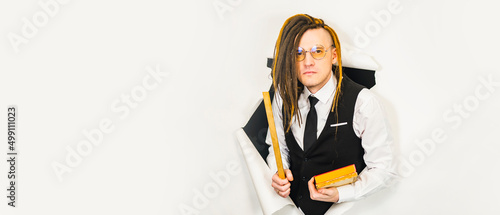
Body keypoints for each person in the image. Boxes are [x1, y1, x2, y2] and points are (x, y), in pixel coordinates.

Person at [265, 14, 397, 215]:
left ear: (333, 55)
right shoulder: (283, 96)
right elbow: (278, 147)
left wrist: (341, 194)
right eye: (299, 53)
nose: (307, 62)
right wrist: (278, 171)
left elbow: (383, 168)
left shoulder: (363, 102)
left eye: (317, 51)